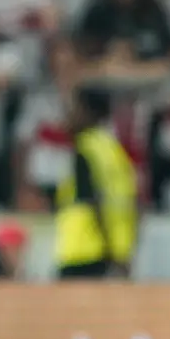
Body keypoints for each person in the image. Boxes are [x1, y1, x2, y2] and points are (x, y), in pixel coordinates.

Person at [53, 84, 139, 279]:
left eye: (74, 108)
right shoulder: (114, 150)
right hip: (113, 249)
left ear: (88, 112)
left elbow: (93, 200)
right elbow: (132, 201)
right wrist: (120, 255)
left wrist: (108, 247)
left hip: (81, 248)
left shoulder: (84, 149)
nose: (69, 114)